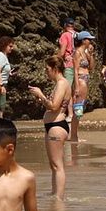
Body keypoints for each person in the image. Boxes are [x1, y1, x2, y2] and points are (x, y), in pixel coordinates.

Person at [27, 54, 71, 199]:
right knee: (54, 165)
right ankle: (55, 194)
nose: (46, 72)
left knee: (58, 165)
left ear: (55, 68)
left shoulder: (62, 83)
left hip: (57, 126)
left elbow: (54, 106)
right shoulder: (60, 84)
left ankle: (59, 198)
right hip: (53, 125)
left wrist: (40, 95)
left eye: (47, 69)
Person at [57, 18, 77, 93]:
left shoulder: (65, 35)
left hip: (69, 64)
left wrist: (55, 60)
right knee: (74, 90)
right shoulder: (77, 35)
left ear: (65, 25)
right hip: (78, 65)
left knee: (67, 89)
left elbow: (62, 52)